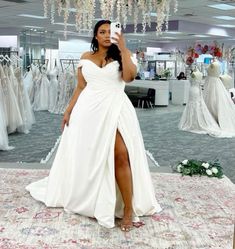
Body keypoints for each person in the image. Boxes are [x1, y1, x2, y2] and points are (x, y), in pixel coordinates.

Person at [26, 20, 161, 232]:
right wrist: (69, 110)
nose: (107, 35)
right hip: (87, 112)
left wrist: (124, 48)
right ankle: (94, 197)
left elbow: (129, 77)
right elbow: (81, 87)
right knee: (91, 156)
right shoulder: (85, 57)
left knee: (121, 154)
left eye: (111, 31)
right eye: (102, 32)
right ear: (95, 35)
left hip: (115, 108)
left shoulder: (123, 56)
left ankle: (127, 209)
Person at [178, 69, 229, 137]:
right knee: (194, 105)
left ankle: (192, 122)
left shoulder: (196, 74)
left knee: (195, 105)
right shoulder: (200, 74)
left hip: (194, 91)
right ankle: (192, 121)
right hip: (196, 91)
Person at [203, 61, 235, 136]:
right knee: (210, 100)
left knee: (215, 101)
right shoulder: (214, 65)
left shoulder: (216, 64)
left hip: (214, 84)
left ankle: (215, 118)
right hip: (210, 84)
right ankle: (210, 117)